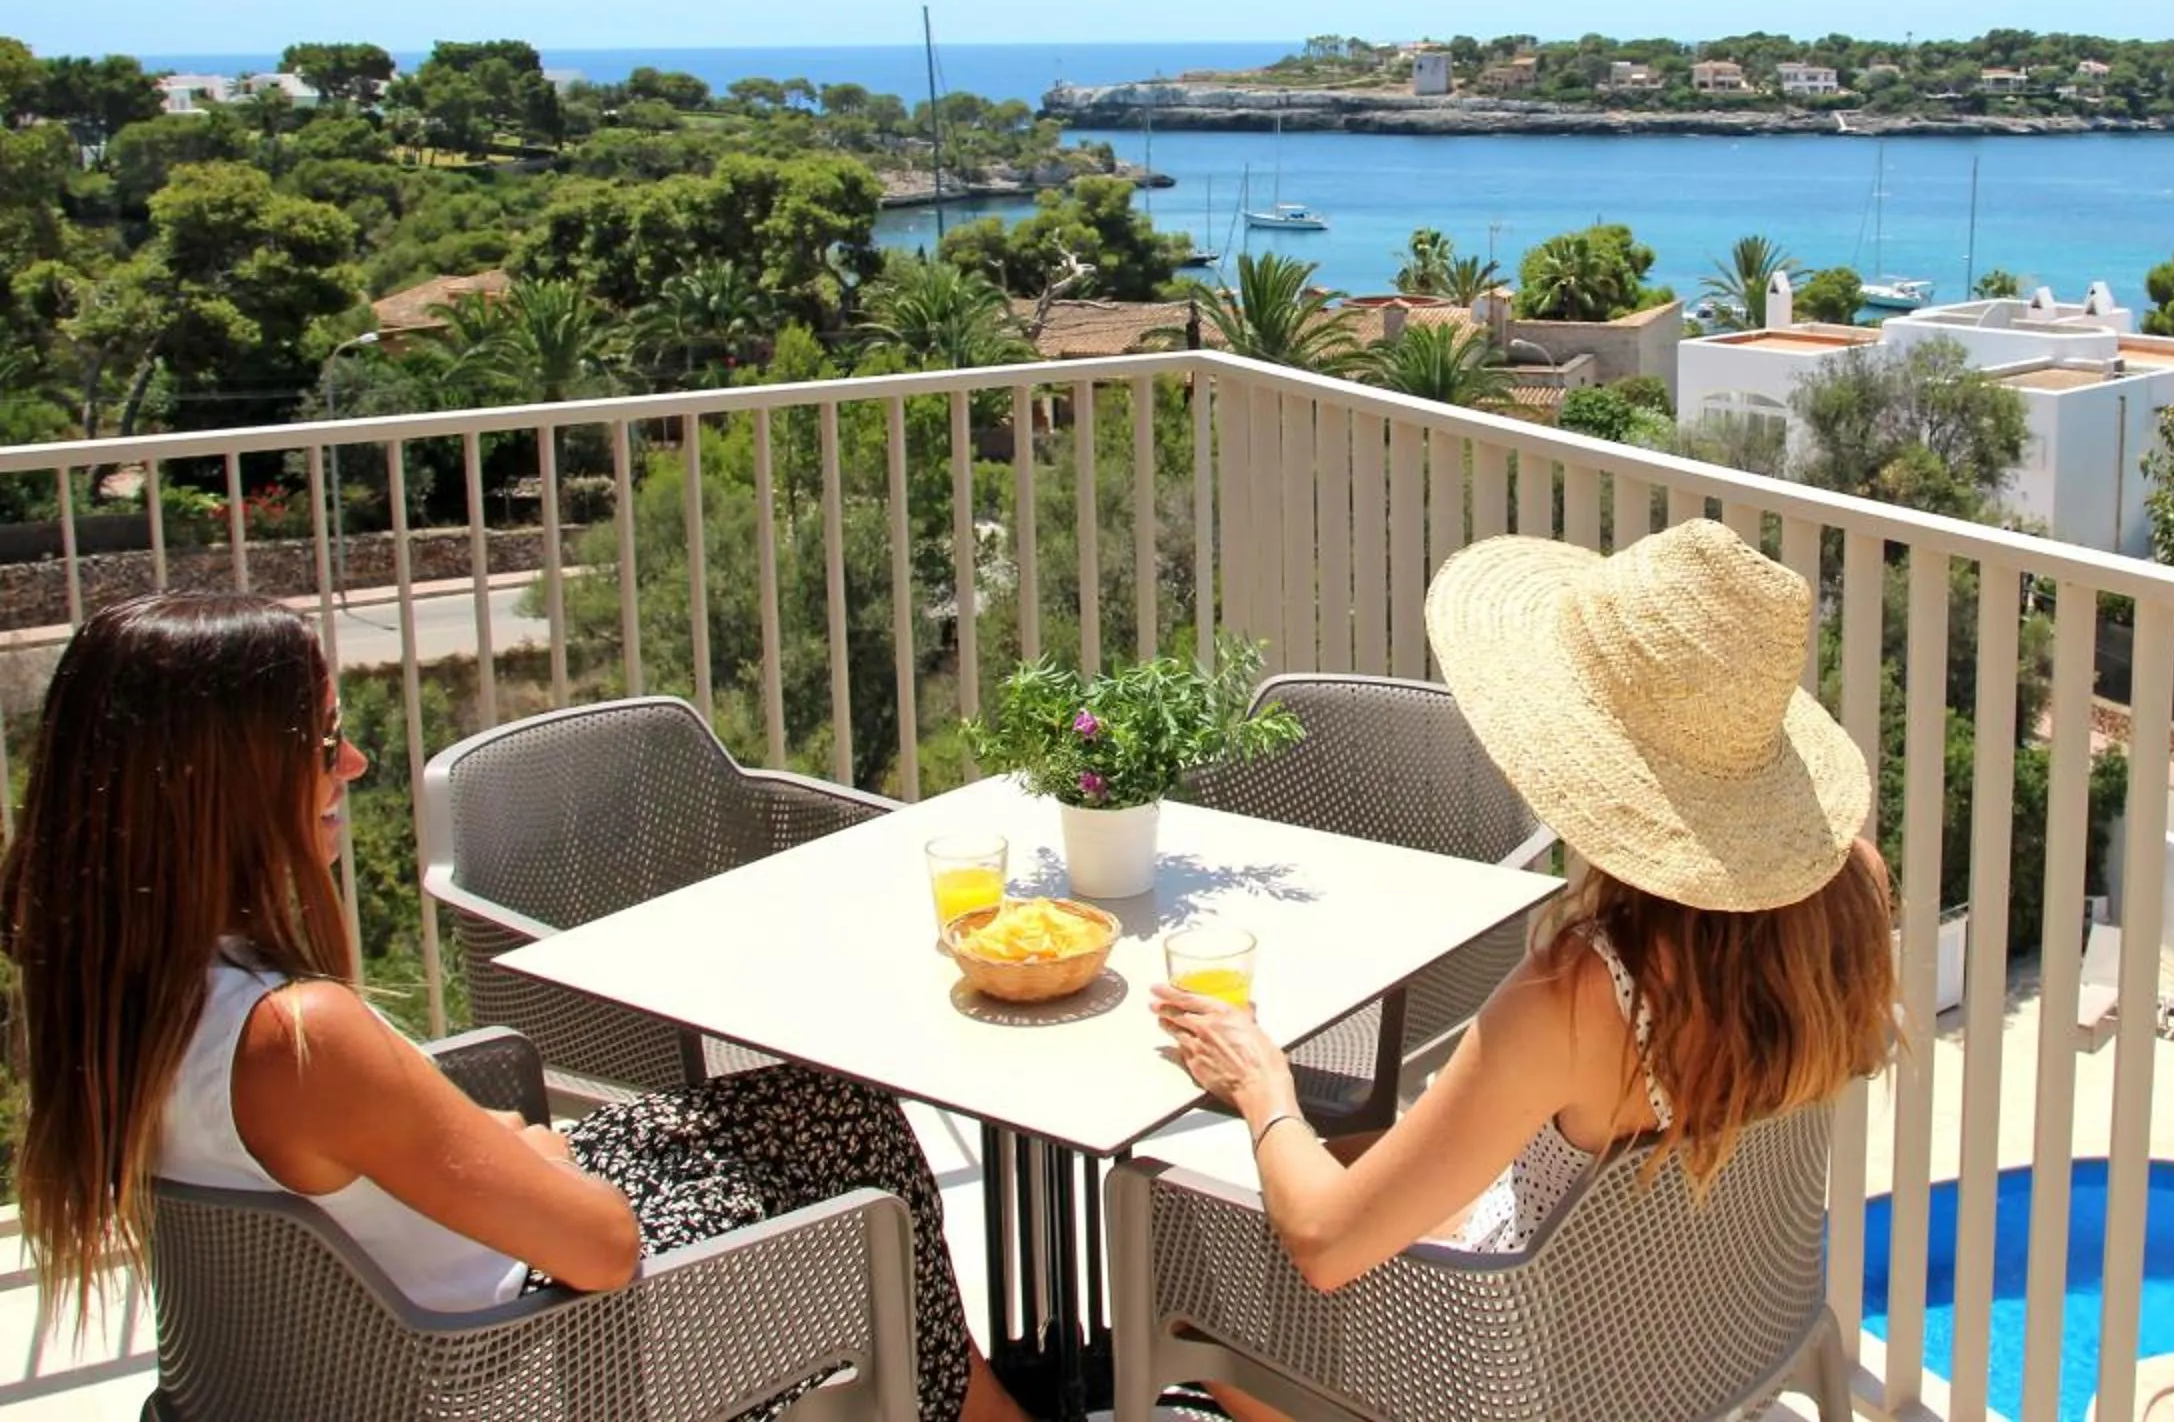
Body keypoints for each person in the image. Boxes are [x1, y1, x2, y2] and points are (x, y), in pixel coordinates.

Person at [0, 592, 1027, 1422]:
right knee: (864, 1188)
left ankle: (973, 1400)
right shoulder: (301, 1039)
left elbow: (370, 1163)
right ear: (223, 783)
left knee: (821, 1100)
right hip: (525, 1353)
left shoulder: (121, 1006)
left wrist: (474, 1138)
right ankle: (963, 1401)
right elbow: (603, 1246)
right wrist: (534, 1155)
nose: (352, 765)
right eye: (324, 743)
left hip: (371, 1349)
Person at [1149, 517, 1899, 1420]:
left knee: (1171, 1231)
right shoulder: (1855, 892)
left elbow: (1323, 1242)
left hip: (1510, 1369)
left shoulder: (1577, 999)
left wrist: (1264, 1086)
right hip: (1691, 1346)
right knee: (1351, 1153)